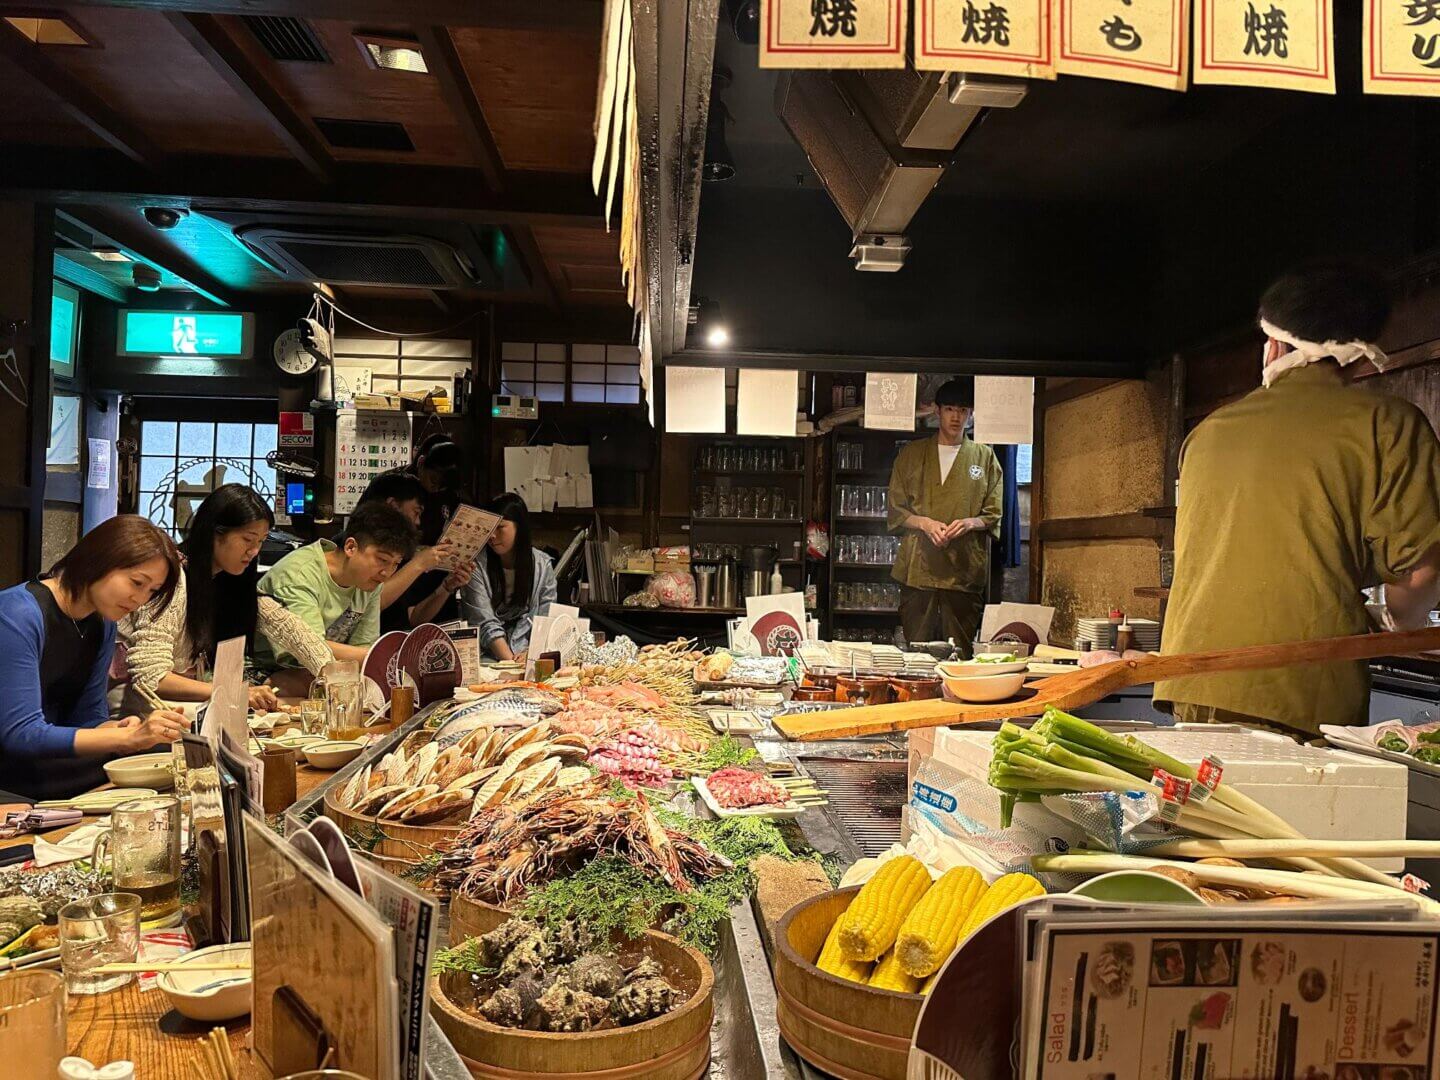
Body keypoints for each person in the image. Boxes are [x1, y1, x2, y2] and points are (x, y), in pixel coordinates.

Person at [1155, 260, 1440, 739]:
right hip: (1303, 687)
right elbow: (1421, 574)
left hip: (1192, 677)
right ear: (1361, 353)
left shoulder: (1205, 434)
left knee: (1206, 814)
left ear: (1273, 345)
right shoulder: (1387, 424)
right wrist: (1395, 615)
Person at [0, 515, 188, 801]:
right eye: (137, 582)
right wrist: (124, 738)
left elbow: (89, 717)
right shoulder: (18, 614)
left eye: (151, 591)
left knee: (172, 754)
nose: (140, 599)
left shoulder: (102, 623)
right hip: (12, 766)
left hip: (47, 761)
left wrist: (123, 731)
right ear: (97, 561)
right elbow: (20, 734)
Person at [119, 484, 332, 717]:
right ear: (214, 532)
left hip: (182, 704)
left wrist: (332, 676)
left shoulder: (228, 581)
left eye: (260, 541)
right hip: (139, 709)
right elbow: (151, 678)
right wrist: (231, 692)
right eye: (248, 539)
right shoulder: (174, 578)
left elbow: (287, 626)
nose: (253, 551)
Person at [886, 377, 1003, 657]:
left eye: (963, 410)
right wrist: (925, 523)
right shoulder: (912, 454)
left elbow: (994, 512)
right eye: (950, 409)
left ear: (970, 414)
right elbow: (896, 509)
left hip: (963, 566)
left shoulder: (985, 456)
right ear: (937, 411)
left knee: (960, 650)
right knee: (916, 650)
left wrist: (969, 523)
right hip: (919, 565)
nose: (956, 416)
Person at [254, 501, 417, 680]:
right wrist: (386, 656)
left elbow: (363, 647)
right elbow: (307, 649)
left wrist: (376, 657)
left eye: (395, 564)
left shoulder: (370, 582)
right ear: (351, 547)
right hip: (269, 670)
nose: (387, 573)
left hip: (327, 670)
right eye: (382, 559)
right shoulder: (298, 575)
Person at [356, 471, 474, 633]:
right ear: (393, 505)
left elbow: (413, 617)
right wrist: (419, 563)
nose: (418, 522)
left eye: (394, 562)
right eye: (416, 512)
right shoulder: (355, 546)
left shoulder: (402, 556)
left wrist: (447, 586)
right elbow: (371, 603)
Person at [463, 492, 557, 661]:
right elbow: (484, 621)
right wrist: (510, 663)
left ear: (519, 527)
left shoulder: (542, 565)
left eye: (500, 528)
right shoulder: (475, 565)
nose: (492, 536)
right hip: (488, 654)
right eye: (489, 528)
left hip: (529, 652)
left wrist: (531, 653)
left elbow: (546, 618)